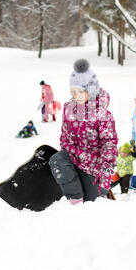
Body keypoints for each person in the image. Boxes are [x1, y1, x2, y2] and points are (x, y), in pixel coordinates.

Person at [49, 59, 118, 204]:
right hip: (72, 161)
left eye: (81, 91)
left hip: (92, 169)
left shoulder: (102, 115)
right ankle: (74, 200)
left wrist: (106, 176)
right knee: (56, 160)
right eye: (73, 91)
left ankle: (92, 195)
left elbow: (109, 146)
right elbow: (64, 136)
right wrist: (66, 159)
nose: (76, 96)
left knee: (92, 201)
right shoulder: (69, 109)